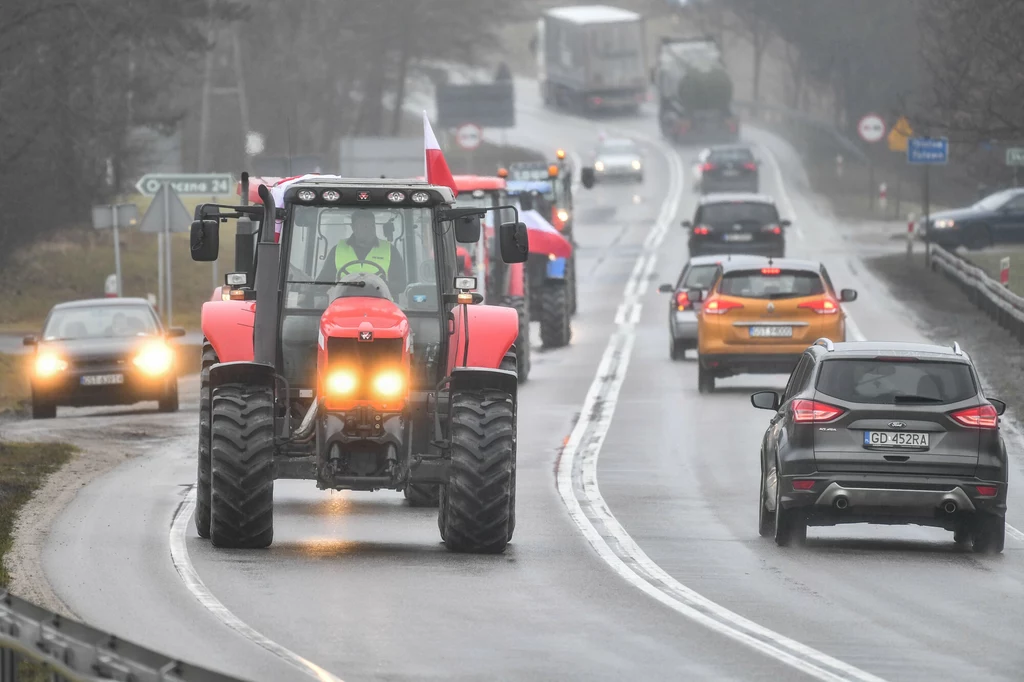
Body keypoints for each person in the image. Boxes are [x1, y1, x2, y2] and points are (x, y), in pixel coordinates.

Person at [319, 209, 407, 292]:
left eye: (372, 225)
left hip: (380, 303)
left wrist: (382, 285)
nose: (370, 229)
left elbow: (401, 285)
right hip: (344, 302)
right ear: (353, 227)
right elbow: (323, 281)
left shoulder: (389, 250)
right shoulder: (337, 250)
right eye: (364, 226)